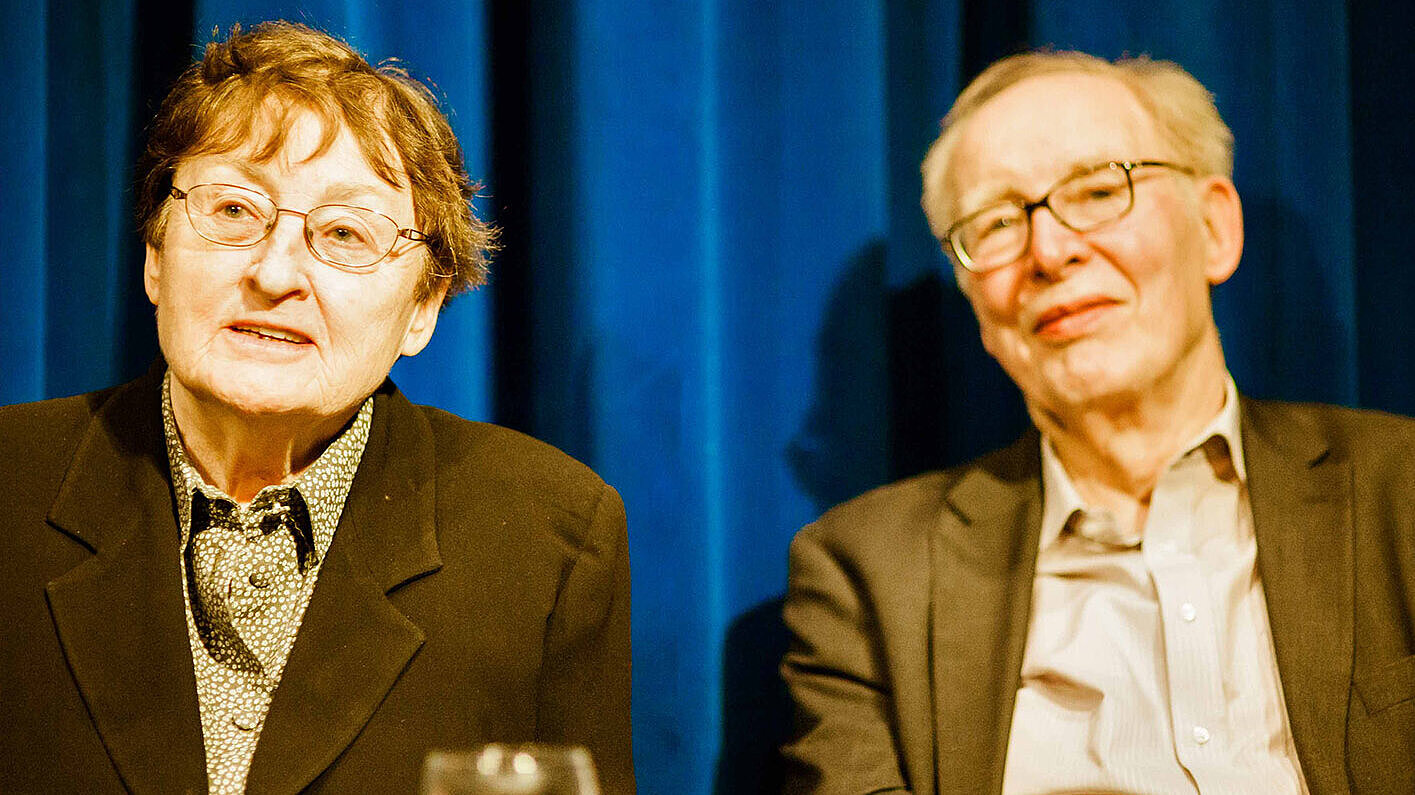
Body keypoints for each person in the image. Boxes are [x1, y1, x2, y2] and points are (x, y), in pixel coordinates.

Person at [0, 22, 632, 794]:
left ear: (422, 307)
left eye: (344, 232)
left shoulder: (548, 539)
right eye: (234, 211)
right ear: (155, 255)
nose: (274, 274)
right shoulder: (10, 486)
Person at [780, 50, 1415, 794]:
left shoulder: (1399, 493)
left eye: (1097, 190)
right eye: (996, 223)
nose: (1049, 252)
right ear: (975, 304)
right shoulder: (870, 577)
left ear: (1213, 227)